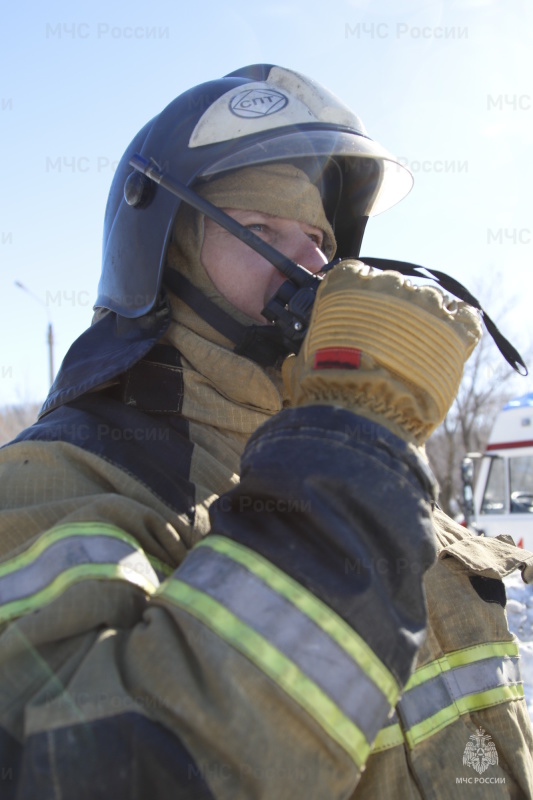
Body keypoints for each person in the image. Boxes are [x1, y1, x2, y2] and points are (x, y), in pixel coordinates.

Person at [0, 64, 532, 799]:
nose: (313, 265)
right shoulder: (54, 482)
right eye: (261, 230)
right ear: (165, 253)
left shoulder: (355, 458)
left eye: (318, 236)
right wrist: (350, 451)